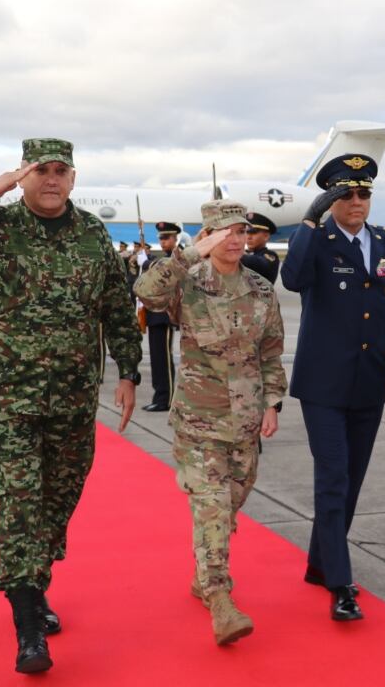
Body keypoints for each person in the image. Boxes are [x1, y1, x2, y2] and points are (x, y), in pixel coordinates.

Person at [0, 137, 142, 674]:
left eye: (61, 170)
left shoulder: (91, 233)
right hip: (7, 395)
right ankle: (28, 625)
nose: (51, 179)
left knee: (58, 501)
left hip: (73, 395)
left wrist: (129, 371)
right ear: (23, 175)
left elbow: (115, 303)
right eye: (40, 170)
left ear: (73, 177)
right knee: (19, 502)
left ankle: (34, 585)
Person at [133, 199, 285, 645]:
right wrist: (189, 254)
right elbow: (147, 291)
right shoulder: (189, 280)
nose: (236, 240)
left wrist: (272, 403)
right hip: (199, 418)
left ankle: (205, 572)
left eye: (242, 232)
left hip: (245, 418)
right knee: (212, 506)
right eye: (225, 233)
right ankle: (220, 598)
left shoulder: (259, 287)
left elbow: (271, 349)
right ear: (208, 236)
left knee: (232, 500)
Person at [280, 153, 385, 622]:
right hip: (323, 384)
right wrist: (307, 218)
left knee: (353, 480)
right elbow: (293, 278)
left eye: (364, 193)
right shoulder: (316, 241)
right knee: (334, 478)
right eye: (346, 194)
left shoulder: (384, 243)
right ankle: (342, 583)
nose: (357, 202)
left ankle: (321, 563)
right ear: (332, 199)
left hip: (367, 382)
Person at [135, 221, 180, 412]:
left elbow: (170, 268)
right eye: (161, 238)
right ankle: (159, 396)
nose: (163, 242)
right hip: (154, 315)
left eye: (167, 238)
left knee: (163, 359)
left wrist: (146, 263)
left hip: (166, 316)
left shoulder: (179, 256)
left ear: (175, 238)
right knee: (156, 358)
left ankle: (166, 399)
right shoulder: (162, 258)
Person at [241, 210, 280, 283]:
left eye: (253, 233)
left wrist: (236, 253)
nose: (248, 237)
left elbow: (259, 263)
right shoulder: (246, 254)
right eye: (246, 232)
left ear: (266, 236)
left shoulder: (270, 256)